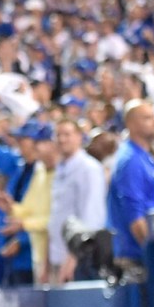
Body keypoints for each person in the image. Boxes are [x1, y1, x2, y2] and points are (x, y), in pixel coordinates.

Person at [107, 101, 154, 278]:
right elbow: (135, 218)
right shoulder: (131, 159)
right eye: (147, 118)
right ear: (131, 124)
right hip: (136, 258)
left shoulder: (142, 156)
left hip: (141, 254)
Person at [49, 119, 107, 282]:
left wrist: (73, 257)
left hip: (79, 260)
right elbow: (56, 216)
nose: (62, 139)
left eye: (67, 134)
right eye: (58, 135)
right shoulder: (59, 169)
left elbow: (91, 217)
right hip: (58, 256)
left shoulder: (89, 168)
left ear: (79, 137)